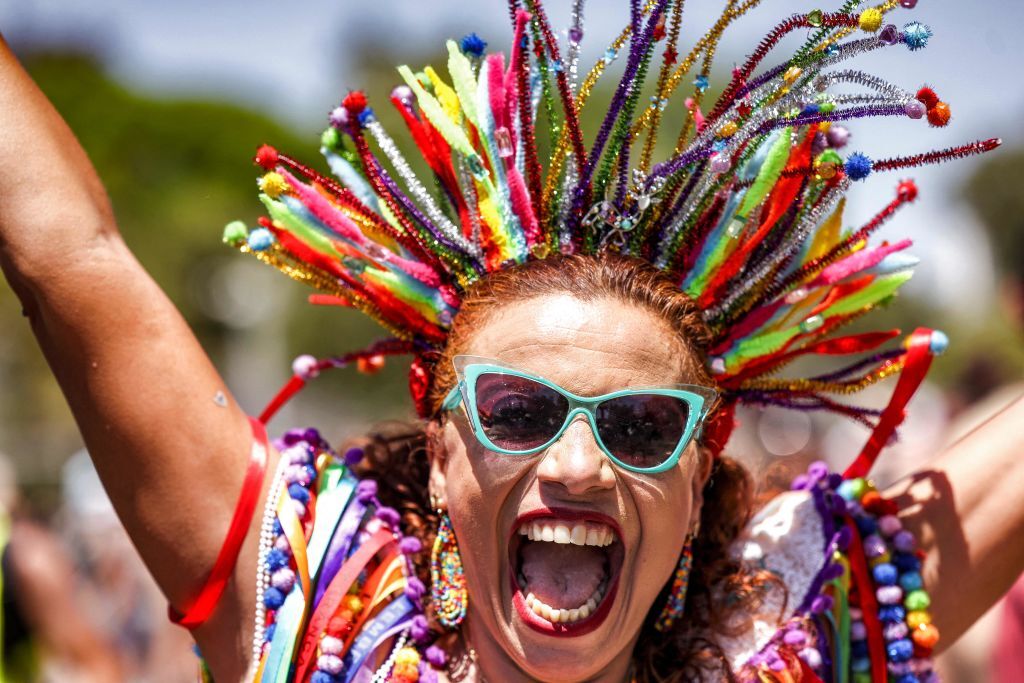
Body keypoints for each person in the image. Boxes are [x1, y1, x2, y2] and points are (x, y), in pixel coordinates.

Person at [0, 2, 1020, 681]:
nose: (577, 461)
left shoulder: (795, 632)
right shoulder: (324, 613)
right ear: (439, 447)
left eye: (640, 424)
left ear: (703, 466)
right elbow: (66, 254)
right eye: (517, 410)